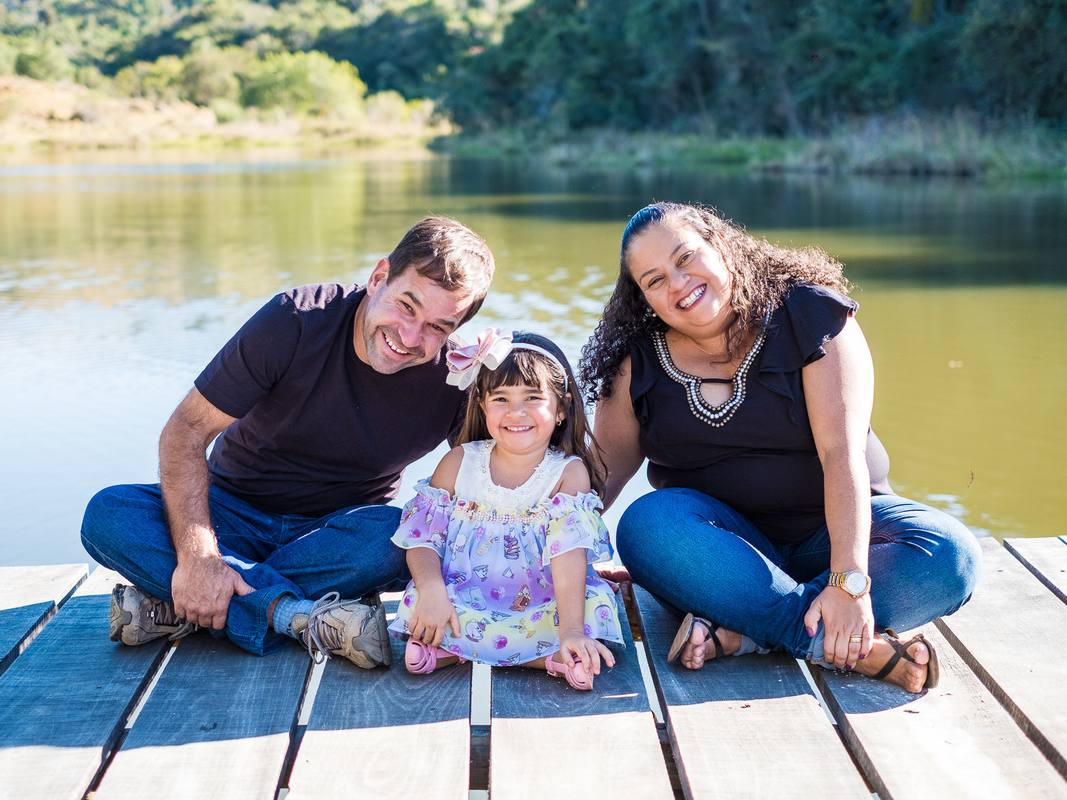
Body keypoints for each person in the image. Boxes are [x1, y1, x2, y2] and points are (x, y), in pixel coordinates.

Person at [578, 201, 981, 693]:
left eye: (685, 258)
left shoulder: (810, 317)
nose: (678, 283)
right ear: (643, 297)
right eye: (655, 280)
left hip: (840, 540)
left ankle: (746, 632)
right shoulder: (635, 366)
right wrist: (542, 559)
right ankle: (831, 641)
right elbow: (596, 482)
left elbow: (842, 455)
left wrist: (848, 582)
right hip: (723, 559)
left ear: (721, 245)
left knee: (952, 556)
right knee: (646, 526)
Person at [80, 216, 496, 669]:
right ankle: (294, 616)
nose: (411, 337)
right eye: (407, 306)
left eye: (438, 327)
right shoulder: (295, 320)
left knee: (396, 540)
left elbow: (498, 478)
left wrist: (510, 376)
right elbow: (185, 432)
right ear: (379, 277)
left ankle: (188, 609)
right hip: (228, 515)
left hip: (334, 540)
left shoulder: (456, 378)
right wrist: (199, 557)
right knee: (109, 514)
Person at [388, 329, 623, 690]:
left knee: (594, 607)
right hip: (468, 595)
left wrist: (572, 630)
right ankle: (537, 656)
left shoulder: (567, 473)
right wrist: (433, 590)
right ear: (482, 405)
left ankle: (491, 651)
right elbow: (423, 538)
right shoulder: (460, 462)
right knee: (421, 595)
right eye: (501, 398)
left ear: (561, 409)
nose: (516, 412)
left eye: (533, 397)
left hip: (543, 600)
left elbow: (568, 556)